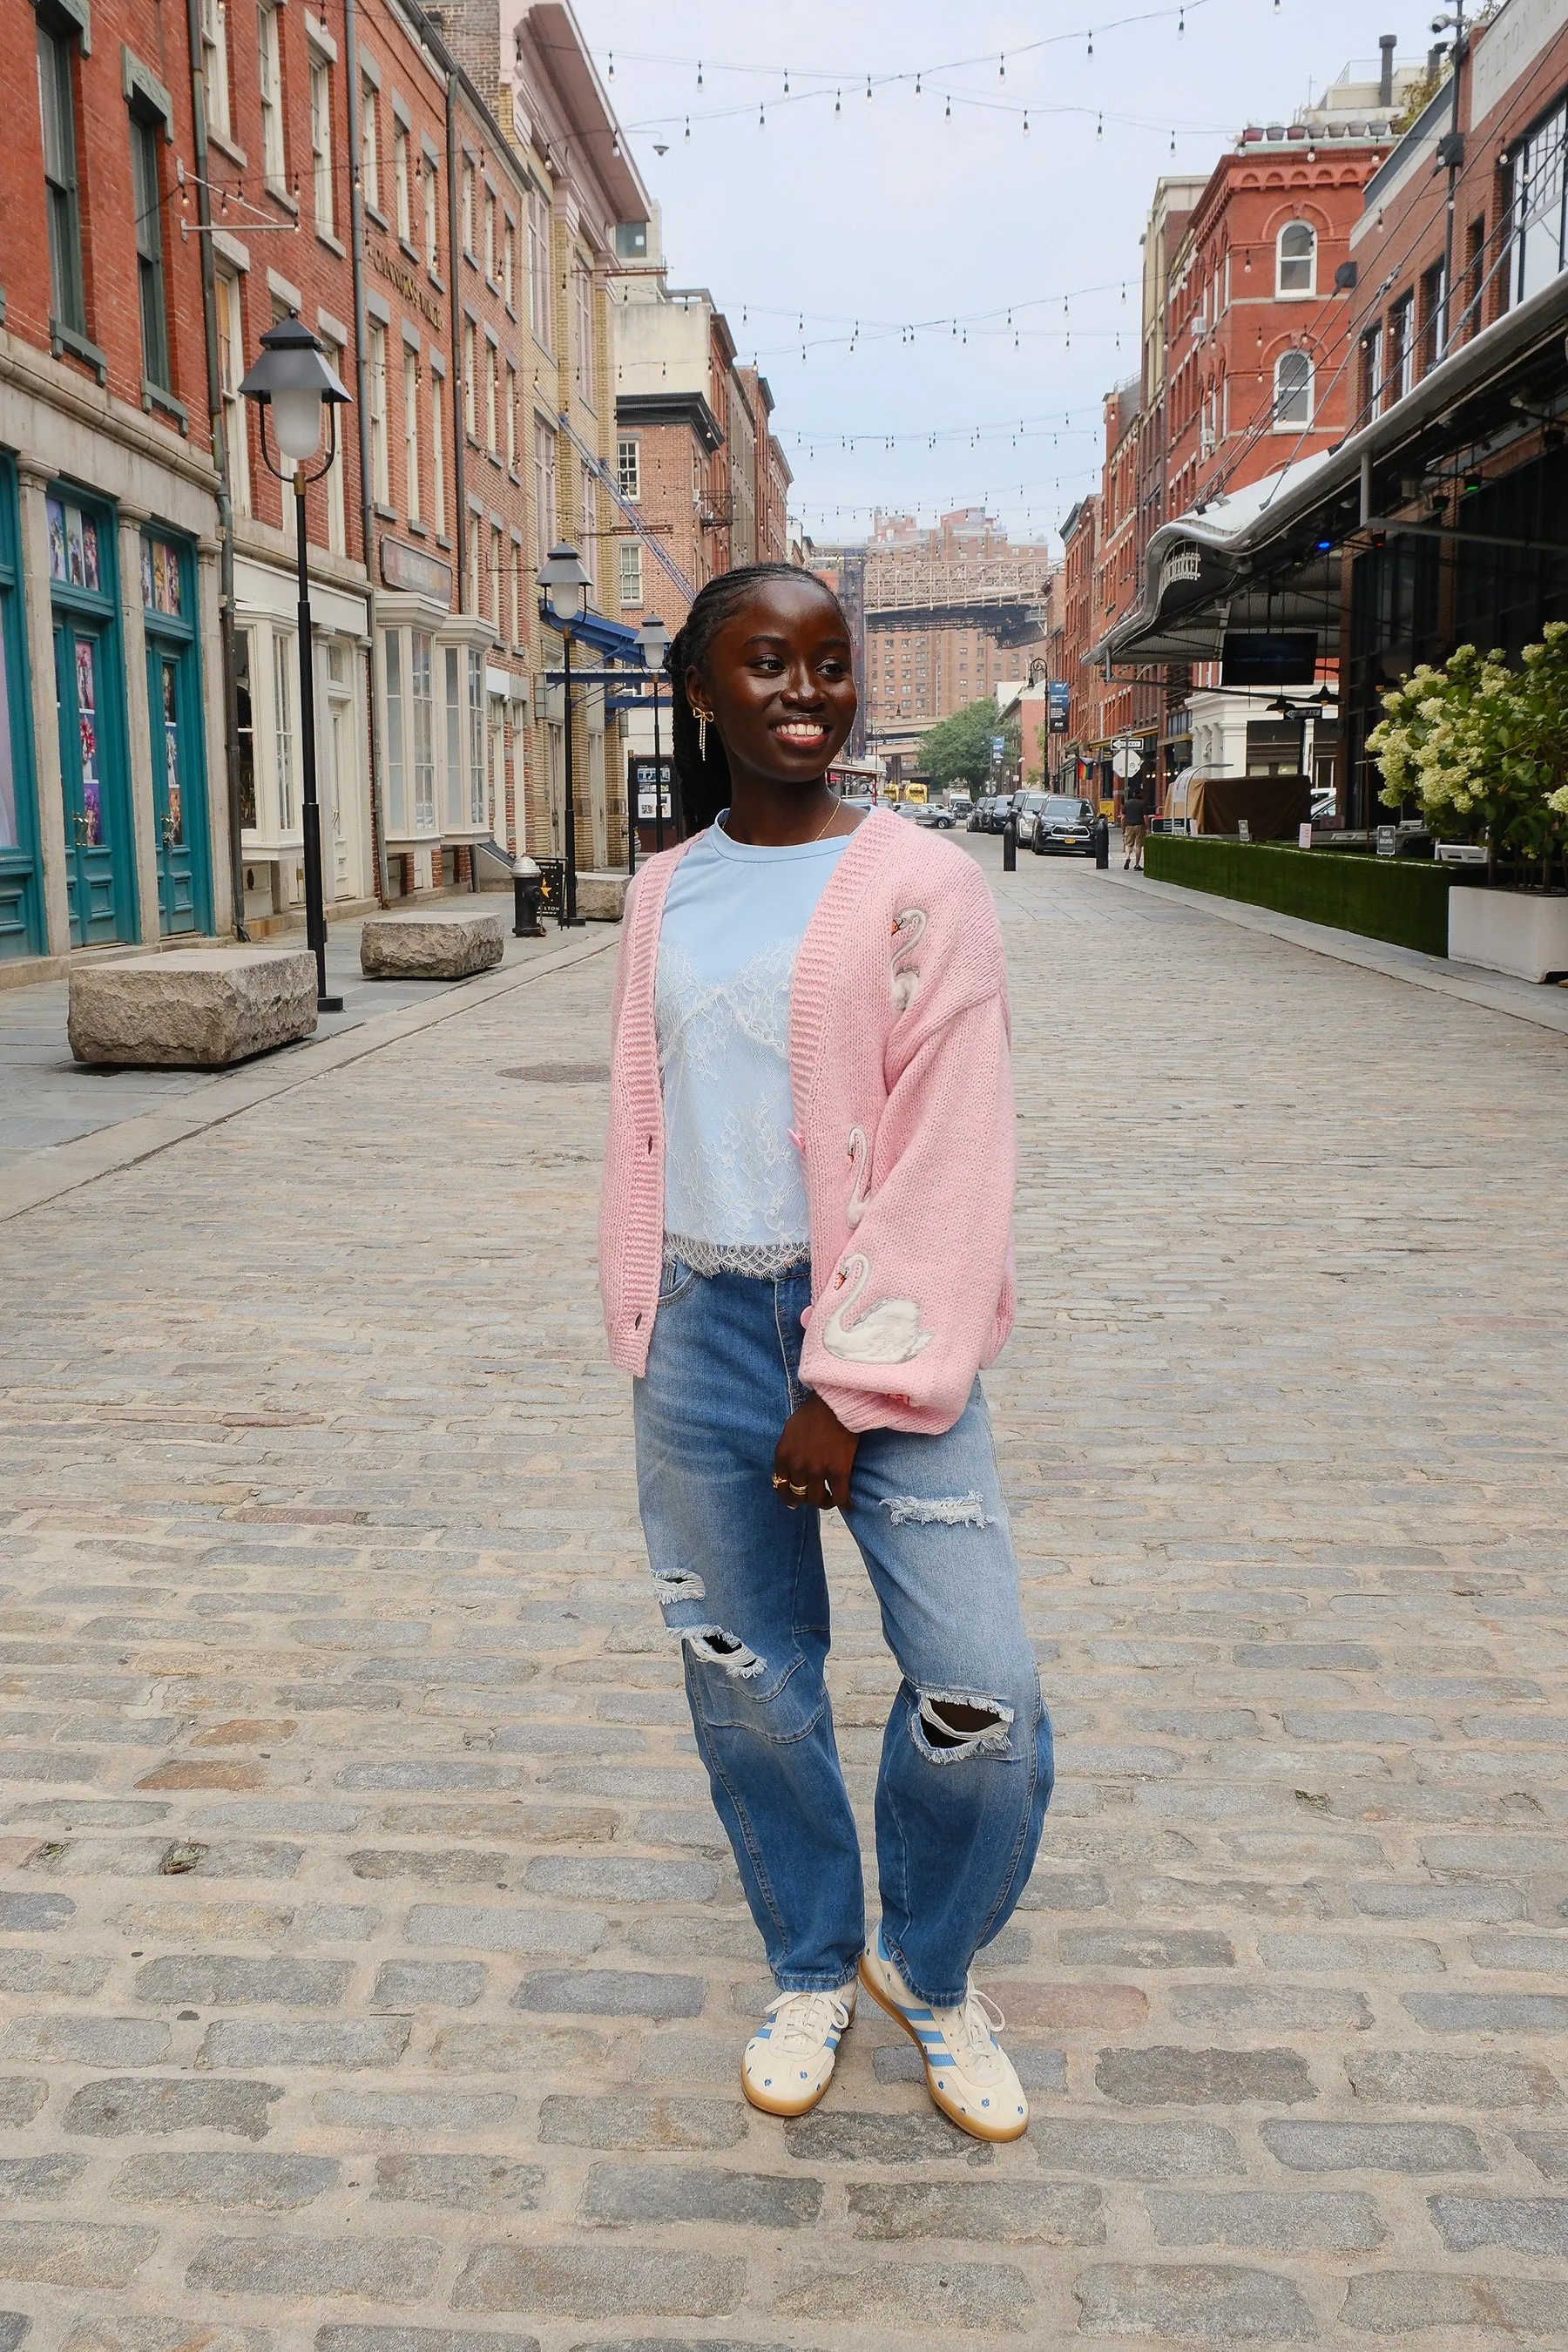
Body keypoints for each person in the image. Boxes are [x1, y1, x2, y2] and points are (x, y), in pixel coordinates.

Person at [599, 563, 1052, 2146]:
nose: (808, 693)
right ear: (705, 691)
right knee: (747, 1680)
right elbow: (653, 1119)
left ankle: (924, 1967)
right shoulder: (663, 889)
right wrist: (653, 1313)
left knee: (980, 1688)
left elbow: (948, 1156)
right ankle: (807, 1959)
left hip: (883, 1335)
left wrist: (839, 1382)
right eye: (767, 665)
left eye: (832, 664)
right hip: (700, 1333)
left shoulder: (929, 884)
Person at [1121, 781, 1150, 869]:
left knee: (1128, 844)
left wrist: (1123, 828)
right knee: (1138, 846)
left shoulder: (1127, 803)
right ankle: (1137, 864)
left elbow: (1123, 818)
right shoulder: (1143, 803)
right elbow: (1145, 817)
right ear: (1139, 793)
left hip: (1129, 826)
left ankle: (1127, 857)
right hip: (1139, 826)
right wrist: (1148, 828)